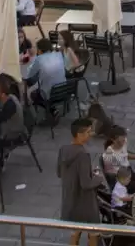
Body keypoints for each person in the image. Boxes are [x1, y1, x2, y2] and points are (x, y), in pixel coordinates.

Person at [58, 117, 104, 246]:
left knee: (75, 232)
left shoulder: (63, 150)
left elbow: (59, 173)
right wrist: (98, 178)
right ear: (79, 134)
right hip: (85, 204)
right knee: (94, 233)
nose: (90, 135)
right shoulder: (83, 155)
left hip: (70, 200)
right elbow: (86, 184)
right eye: (88, 132)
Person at [0, 77, 28, 146]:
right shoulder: (9, 97)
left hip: (13, 133)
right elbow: (0, 113)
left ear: (2, 94)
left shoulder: (10, 105)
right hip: (11, 127)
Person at [27, 38, 68, 105]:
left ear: (39, 49)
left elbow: (29, 75)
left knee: (30, 92)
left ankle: (45, 110)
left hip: (49, 95)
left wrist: (30, 67)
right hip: (63, 90)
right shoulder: (59, 54)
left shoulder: (39, 59)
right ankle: (52, 109)